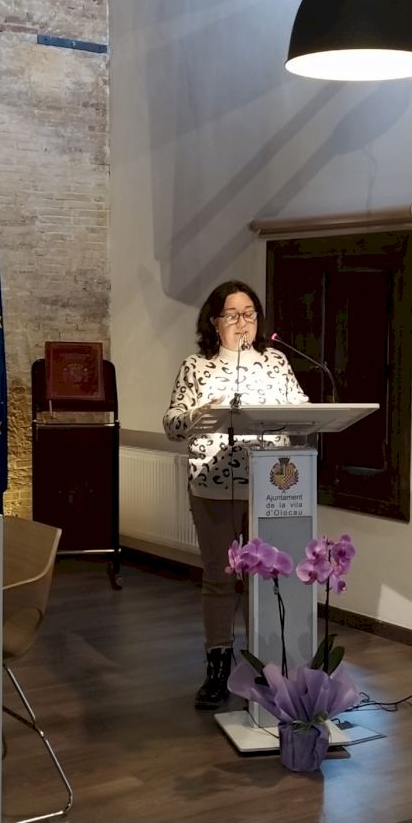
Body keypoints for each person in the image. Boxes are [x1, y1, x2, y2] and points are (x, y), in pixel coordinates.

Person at [163, 280, 309, 710]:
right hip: (213, 485)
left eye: (249, 314)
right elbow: (172, 424)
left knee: (266, 579)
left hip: (272, 488)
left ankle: (266, 664)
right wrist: (198, 415)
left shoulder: (276, 362)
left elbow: (302, 411)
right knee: (219, 577)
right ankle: (218, 666)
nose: (243, 322)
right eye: (232, 315)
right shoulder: (196, 366)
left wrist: (300, 417)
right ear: (214, 321)